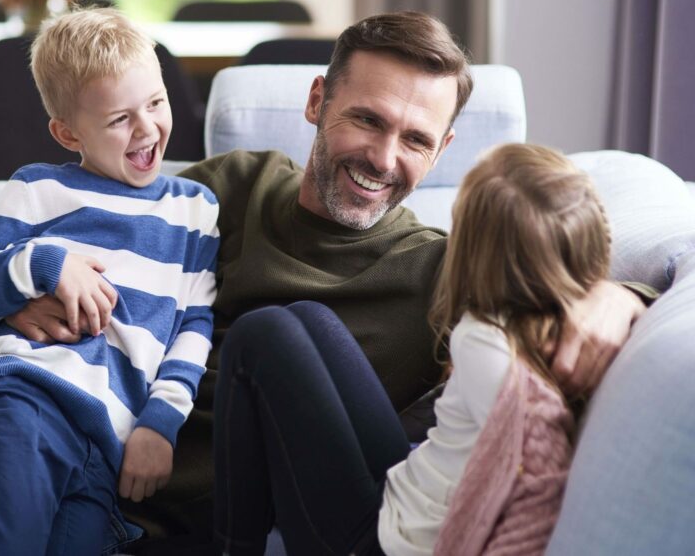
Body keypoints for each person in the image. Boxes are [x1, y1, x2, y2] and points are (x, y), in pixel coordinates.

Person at [0, 12, 646, 555]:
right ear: (317, 102)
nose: (380, 156)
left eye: (413, 139)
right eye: (364, 120)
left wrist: (609, 299)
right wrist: (27, 282)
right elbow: (63, 195)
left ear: (438, 152)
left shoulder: (437, 274)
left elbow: (602, 271)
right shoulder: (226, 184)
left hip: (93, 489)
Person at [213, 143, 635, 555]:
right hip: (402, 496)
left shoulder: (483, 340)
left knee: (259, 333)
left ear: (470, 250)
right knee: (310, 315)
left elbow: (536, 477)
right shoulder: (561, 331)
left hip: (372, 542)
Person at [0, 8, 219, 554]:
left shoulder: (195, 209)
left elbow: (195, 323)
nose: (146, 129)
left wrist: (160, 424)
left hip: (105, 448)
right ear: (68, 133)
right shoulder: (37, 190)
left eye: (156, 103)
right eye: (119, 119)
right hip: (21, 400)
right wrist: (44, 263)